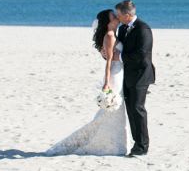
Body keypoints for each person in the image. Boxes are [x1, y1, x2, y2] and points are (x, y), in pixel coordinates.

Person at [45, 9, 131, 156]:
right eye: (113, 17)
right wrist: (106, 83)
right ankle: (112, 145)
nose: (117, 18)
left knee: (114, 112)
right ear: (108, 22)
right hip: (114, 75)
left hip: (120, 73)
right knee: (112, 111)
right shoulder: (110, 36)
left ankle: (116, 144)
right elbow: (109, 62)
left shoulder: (115, 34)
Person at [115, 0, 155, 156]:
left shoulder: (143, 29)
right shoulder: (123, 28)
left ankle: (142, 147)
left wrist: (121, 57)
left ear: (127, 14)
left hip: (140, 76)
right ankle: (136, 143)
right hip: (127, 75)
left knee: (138, 110)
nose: (117, 17)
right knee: (131, 110)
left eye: (119, 14)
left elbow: (142, 55)